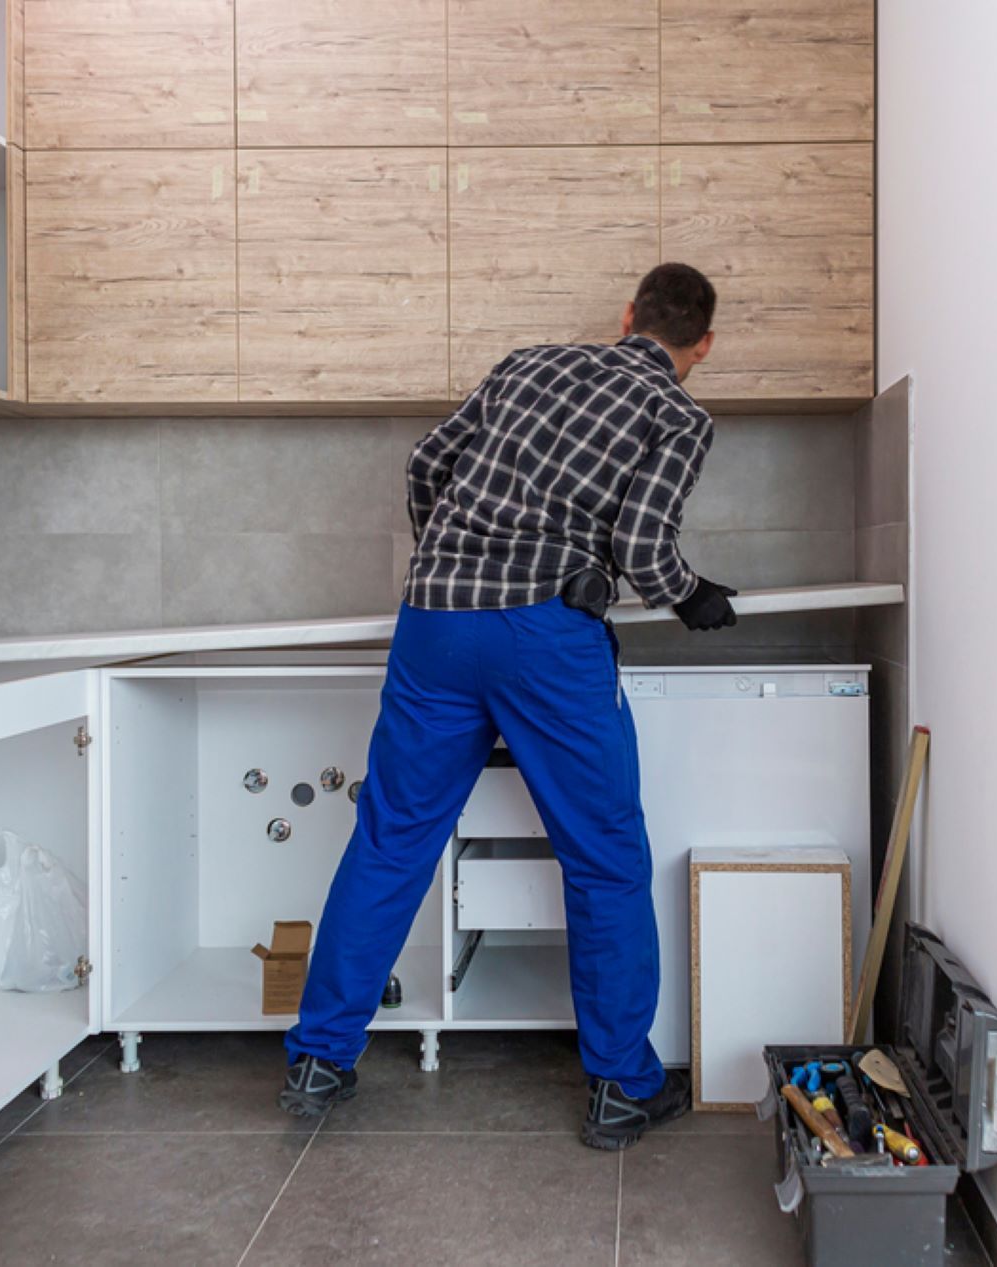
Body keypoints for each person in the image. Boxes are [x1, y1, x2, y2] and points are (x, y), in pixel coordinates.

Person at [278, 262, 739, 1150]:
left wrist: (448, 561)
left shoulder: (525, 364)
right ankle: (619, 1087)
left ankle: (317, 1060)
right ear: (702, 346)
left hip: (435, 622)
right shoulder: (678, 413)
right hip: (545, 637)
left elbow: (425, 463)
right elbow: (645, 546)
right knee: (603, 855)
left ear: (626, 314)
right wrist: (691, 596)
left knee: (392, 836)